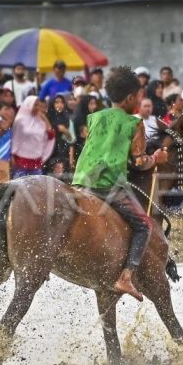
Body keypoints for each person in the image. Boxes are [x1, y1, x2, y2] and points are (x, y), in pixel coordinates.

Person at [72, 66, 168, 301]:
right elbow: (139, 162)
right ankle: (126, 276)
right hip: (108, 185)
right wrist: (156, 158)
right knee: (144, 225)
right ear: (129, 98)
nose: (139, 101)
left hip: (81, 182)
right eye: (138, 97)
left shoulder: (95, 117)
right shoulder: (134, 123)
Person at [11, 96, 55, 178]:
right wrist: (12, 155)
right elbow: (15, 139)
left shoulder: (40, 121)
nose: (37, 108)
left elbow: (50, 135)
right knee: (19, 186)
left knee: (35, 188)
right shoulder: (20, 120)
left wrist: (44, 118)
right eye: (35, 105)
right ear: (28, 105)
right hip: (21, 160)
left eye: (38, 105)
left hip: (36, 160)